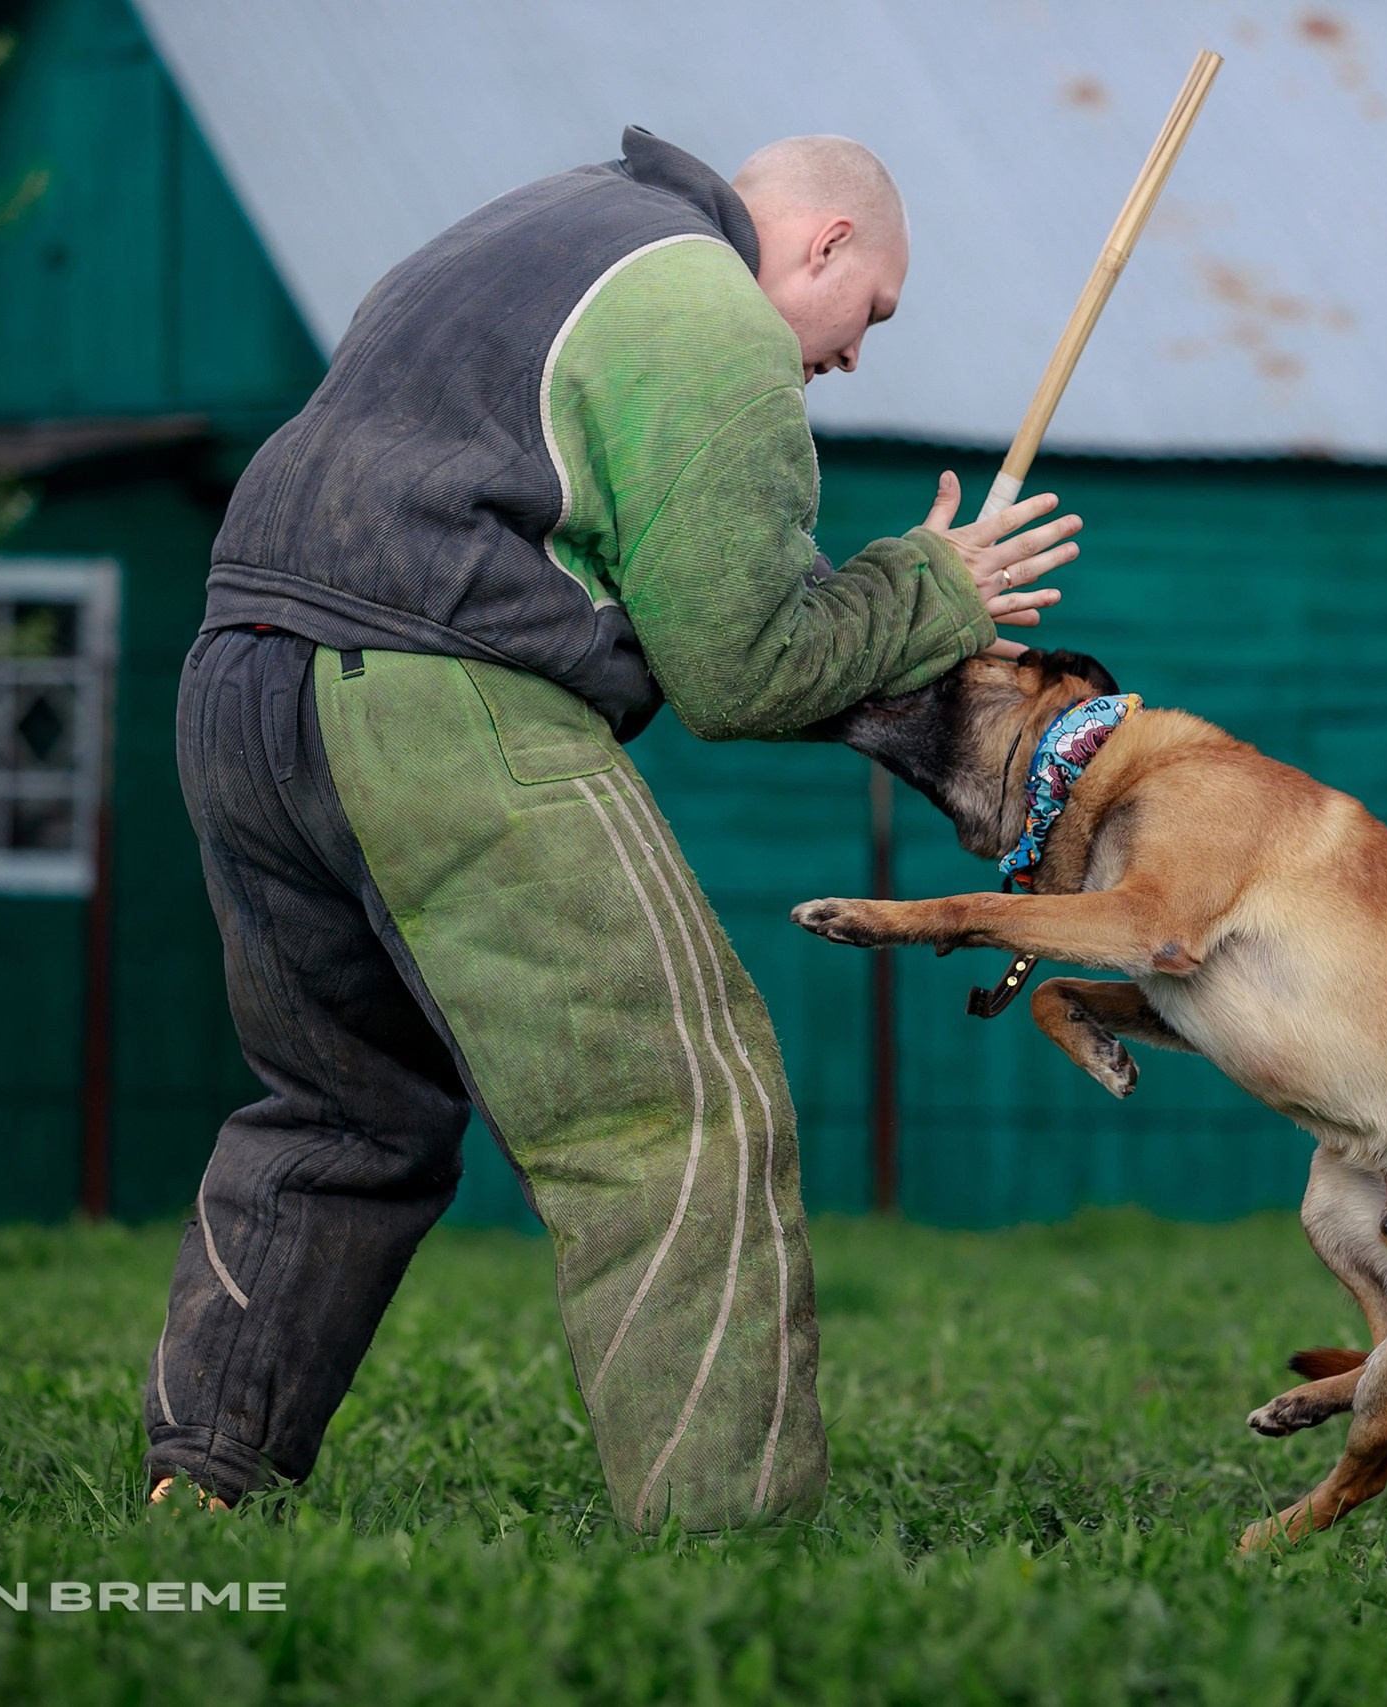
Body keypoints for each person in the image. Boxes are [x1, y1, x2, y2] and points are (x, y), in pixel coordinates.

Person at [143, 127, 1080, 1530]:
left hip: (238, 685)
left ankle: (201, 1487)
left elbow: (650, 592)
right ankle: (725, 1541)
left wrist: (898, 615)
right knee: (678, 1111)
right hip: (437, 700)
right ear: (823, 241)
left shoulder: (528, 230)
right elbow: (739, 670)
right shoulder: (709, 308)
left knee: (341, 1111)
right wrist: (934, 589)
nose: (850, 358)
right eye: (870, 312)